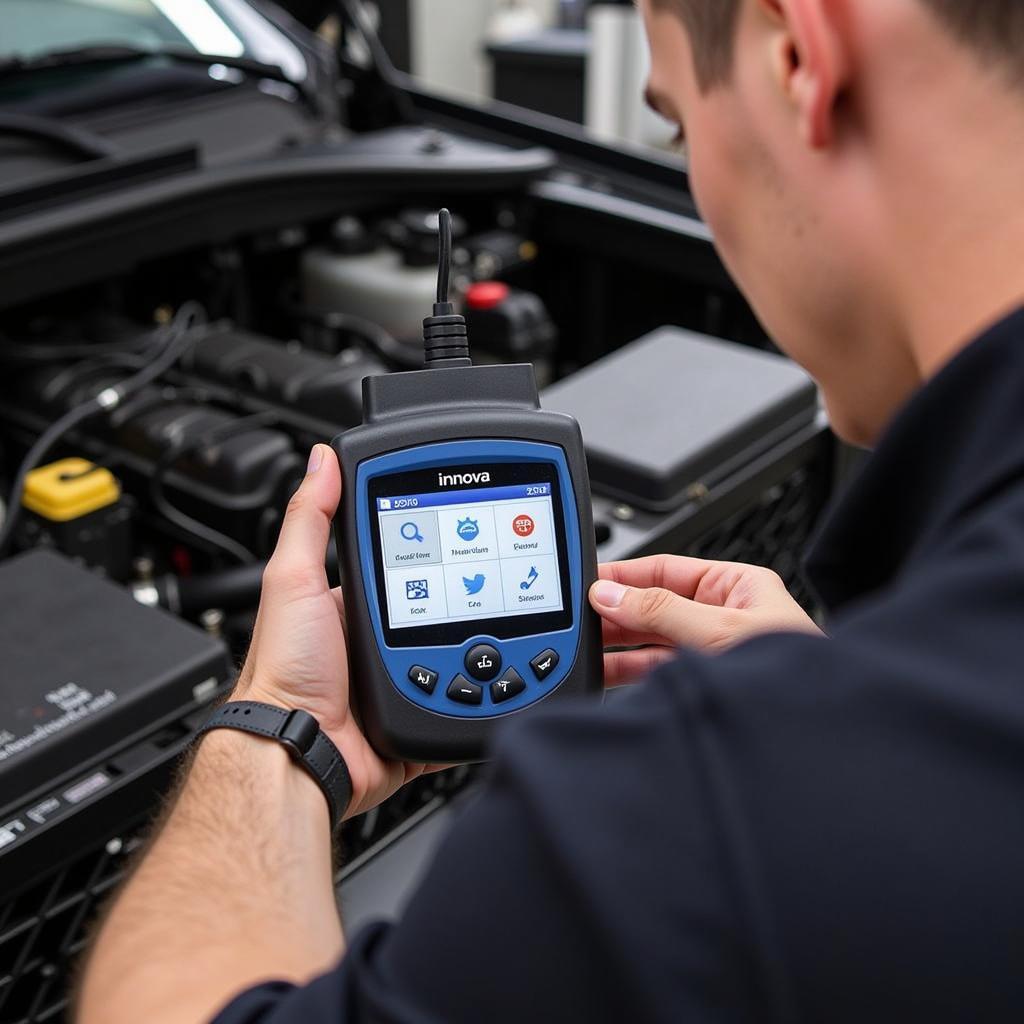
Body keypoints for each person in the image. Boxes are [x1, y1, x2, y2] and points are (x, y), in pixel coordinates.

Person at [78, 0, 1024, 1020]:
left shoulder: (700, 816)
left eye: (673, 125)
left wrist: (279, 724)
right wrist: (834, 702)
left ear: (797, 52)